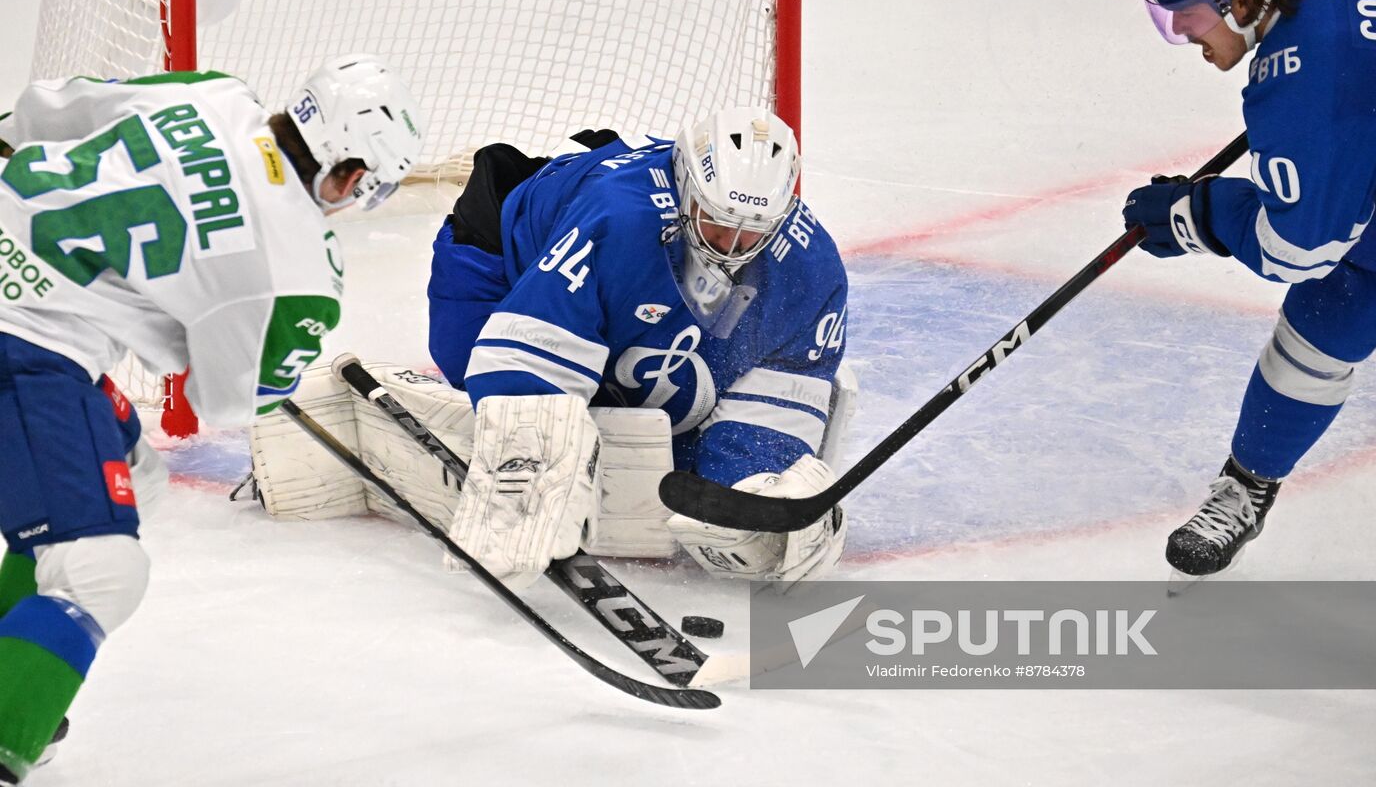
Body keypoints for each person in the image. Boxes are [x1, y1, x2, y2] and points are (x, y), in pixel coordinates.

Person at [0, 54, 423, 784]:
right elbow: (226, 402)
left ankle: (15, 658)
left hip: (31, 313)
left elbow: (40, 111)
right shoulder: (299, 269)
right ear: (349, 175)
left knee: (136, 472)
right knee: (104, 569)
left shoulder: (212, 93)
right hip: (27, 344)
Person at [251, 108, 852, 589]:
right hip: (494, 263)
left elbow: (777, 393)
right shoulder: (620, 216)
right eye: (717, 222)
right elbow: (525, 361)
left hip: (625, 268)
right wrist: (527, 460)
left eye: (753, 231)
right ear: (685, 184)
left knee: (662, 432)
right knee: (506, 406)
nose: (732, 244)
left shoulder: (810, 263)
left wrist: (752, 496)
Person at [1123, 0, 1376, 577]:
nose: (1181, 33)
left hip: (1365, 107)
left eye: (1185, 14)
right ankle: (1251, 480)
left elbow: (1299, 247)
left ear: (1244, 1)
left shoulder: (1313, 86)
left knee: (1347, 278)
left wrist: (1195, 216)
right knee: (1343, 295)